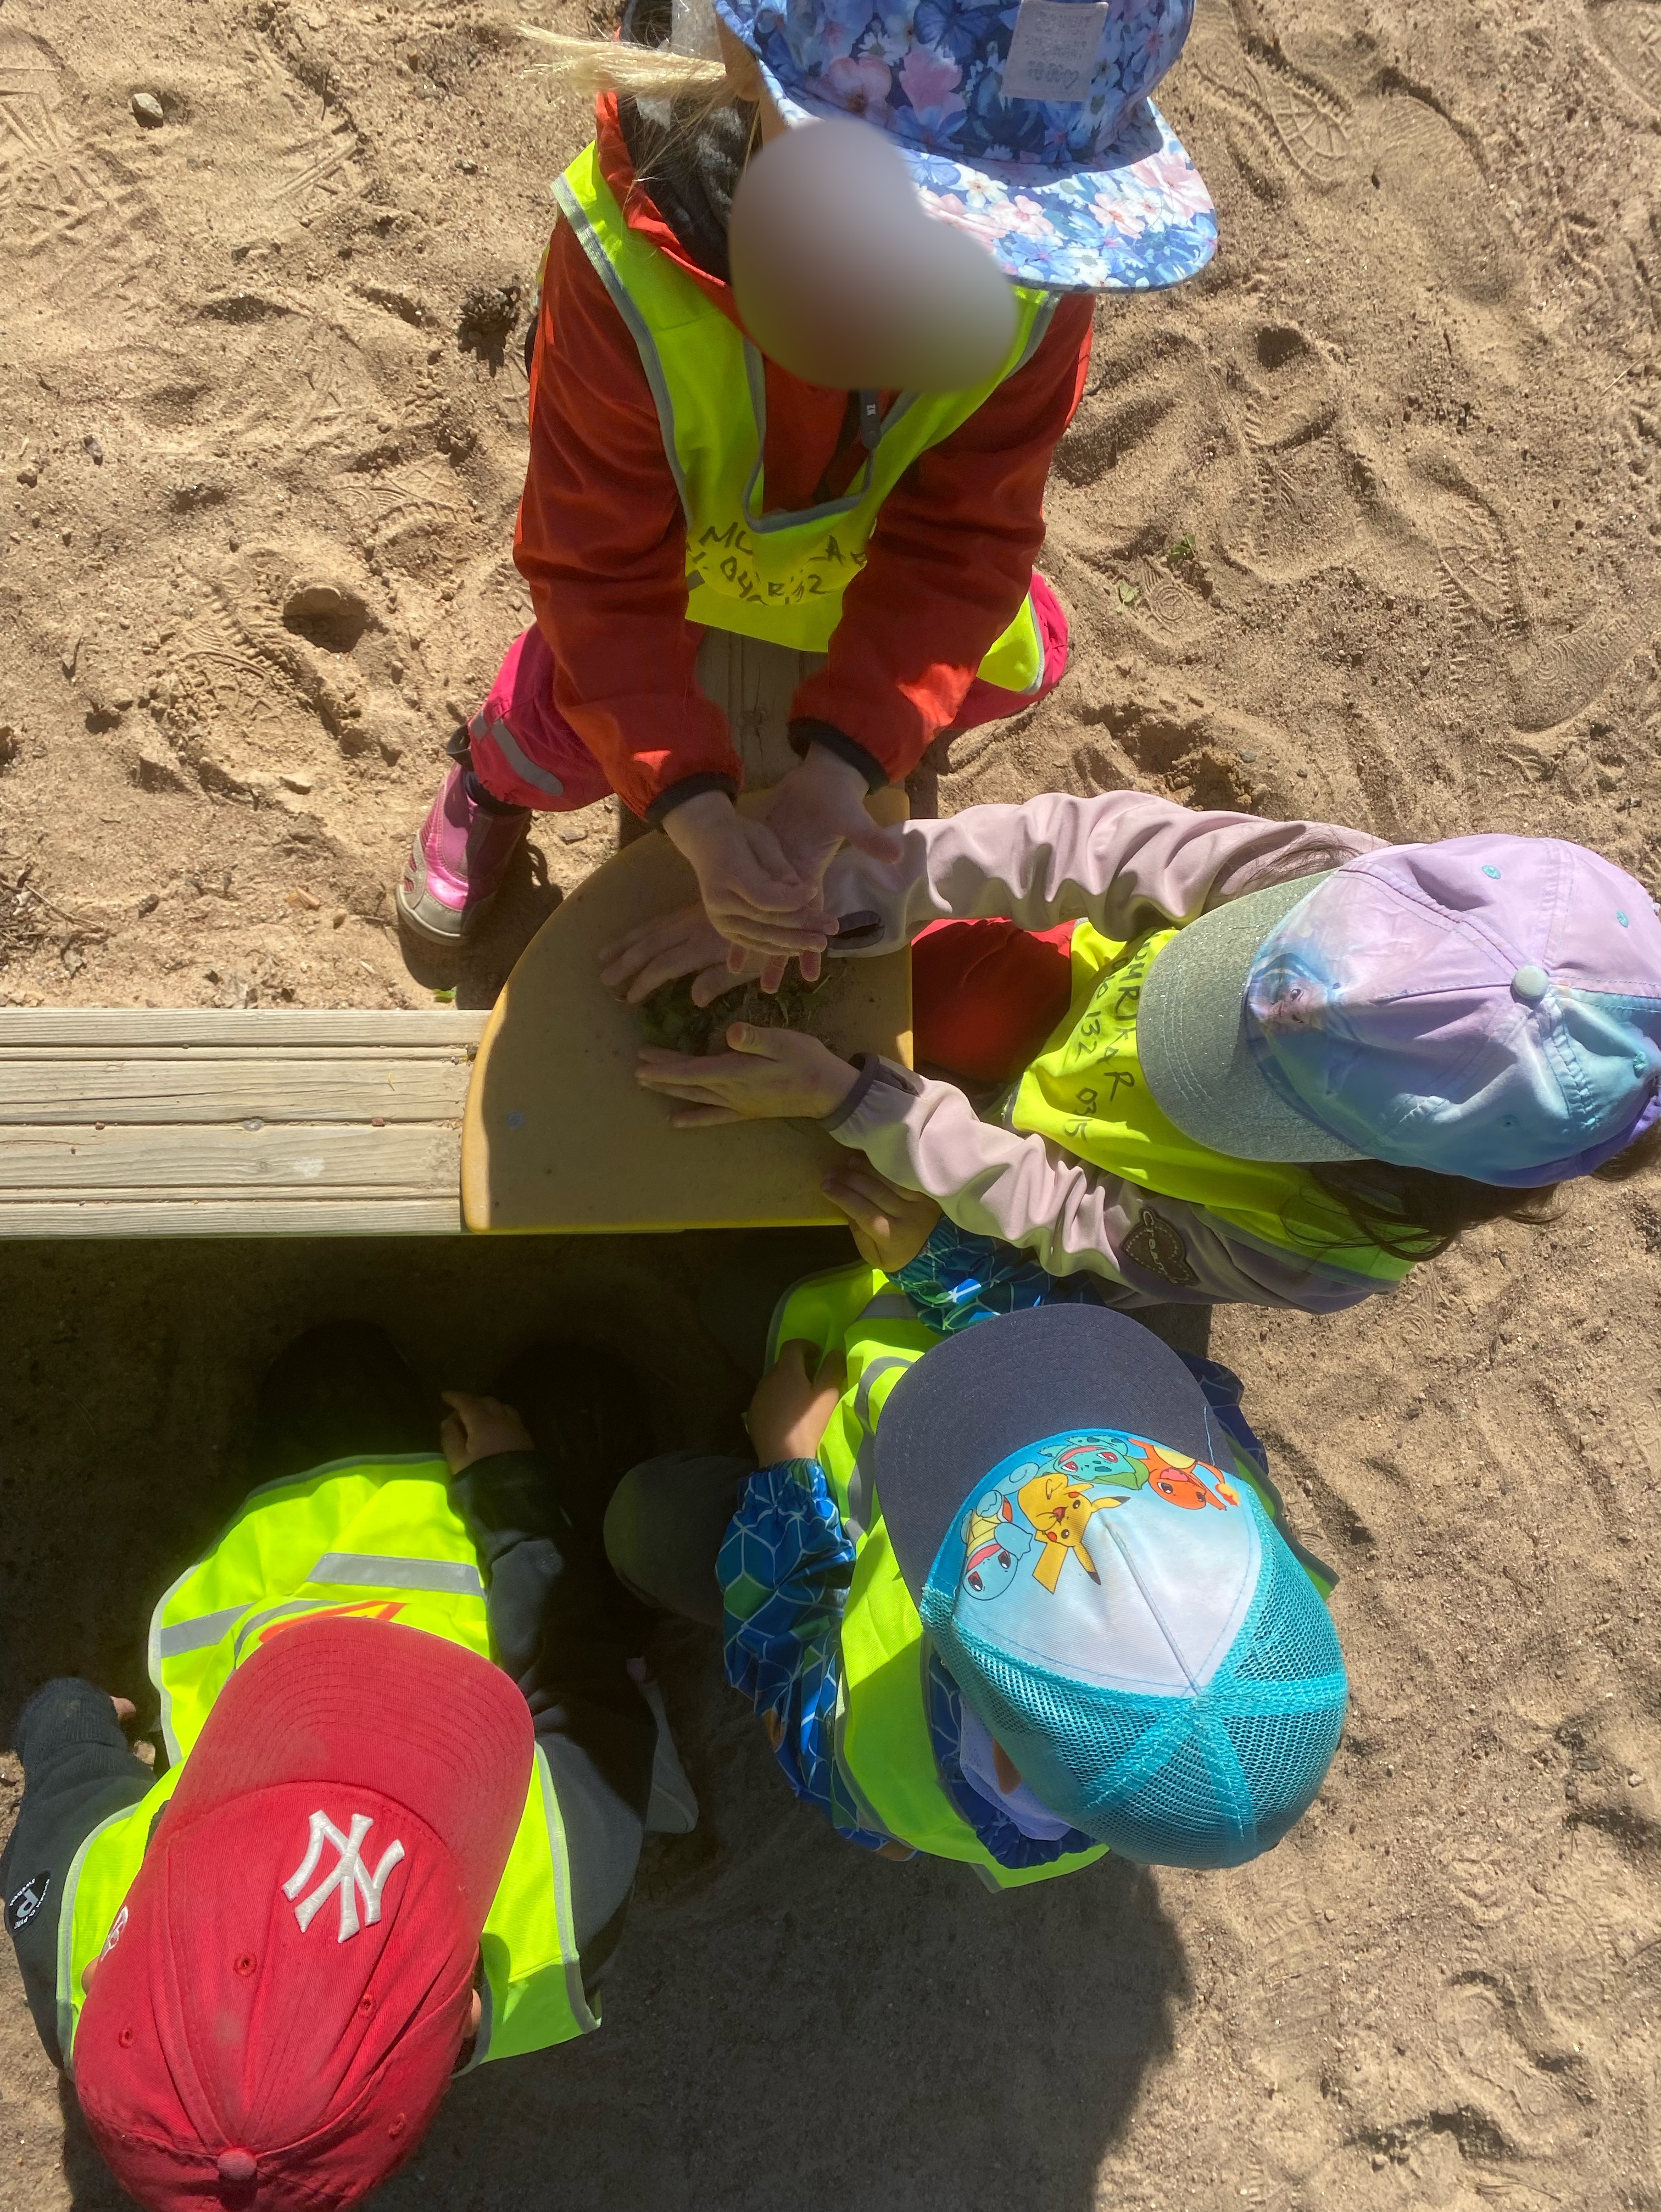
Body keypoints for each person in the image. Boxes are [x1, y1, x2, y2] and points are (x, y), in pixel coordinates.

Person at [395, 0, 1220, 952]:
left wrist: (846, 762)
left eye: (987, 239)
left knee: (1020, 653)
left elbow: (966, 540)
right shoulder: (625, 268)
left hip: (858, 585)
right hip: (675, 583)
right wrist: (694, 806)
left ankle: (881, 737)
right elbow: (597, 571)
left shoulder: (1042, 290)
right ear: (744, 59)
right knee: (563, 728)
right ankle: (491, 783)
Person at [1, 1324, 688, 2210]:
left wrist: (66, 1718)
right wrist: (513, 1503)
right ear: (465, 2016)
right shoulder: (554, 1912)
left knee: (328, 1372)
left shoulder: (85, 1940)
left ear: (104, 1974)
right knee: (571, 1392)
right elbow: (581, 1686)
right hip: (474, 1594)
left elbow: (64, 1799)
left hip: (282, 1577)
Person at [616, 792, 1661, 1312]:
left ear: (1381, 1165)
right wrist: (823, 905)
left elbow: (1079, 1216)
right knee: (955, 991)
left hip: (1084, 1169)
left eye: (1246, 1080)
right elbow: (1085, 847)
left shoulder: (1318, 1248)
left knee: (873, 1219)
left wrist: (868, 1110)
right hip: (1080, 1008)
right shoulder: (1332, 880)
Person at [602, 1179, 1347, 1879]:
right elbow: (1097, 1365)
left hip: (814, 1502)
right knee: (748, 1287)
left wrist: (786, 1474)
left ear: (1009, 1765)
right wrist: (946, 1268)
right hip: (941, 1364)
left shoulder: (882, 1770)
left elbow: (789, 1665)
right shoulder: (1258, 1555)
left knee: (644, 1521)